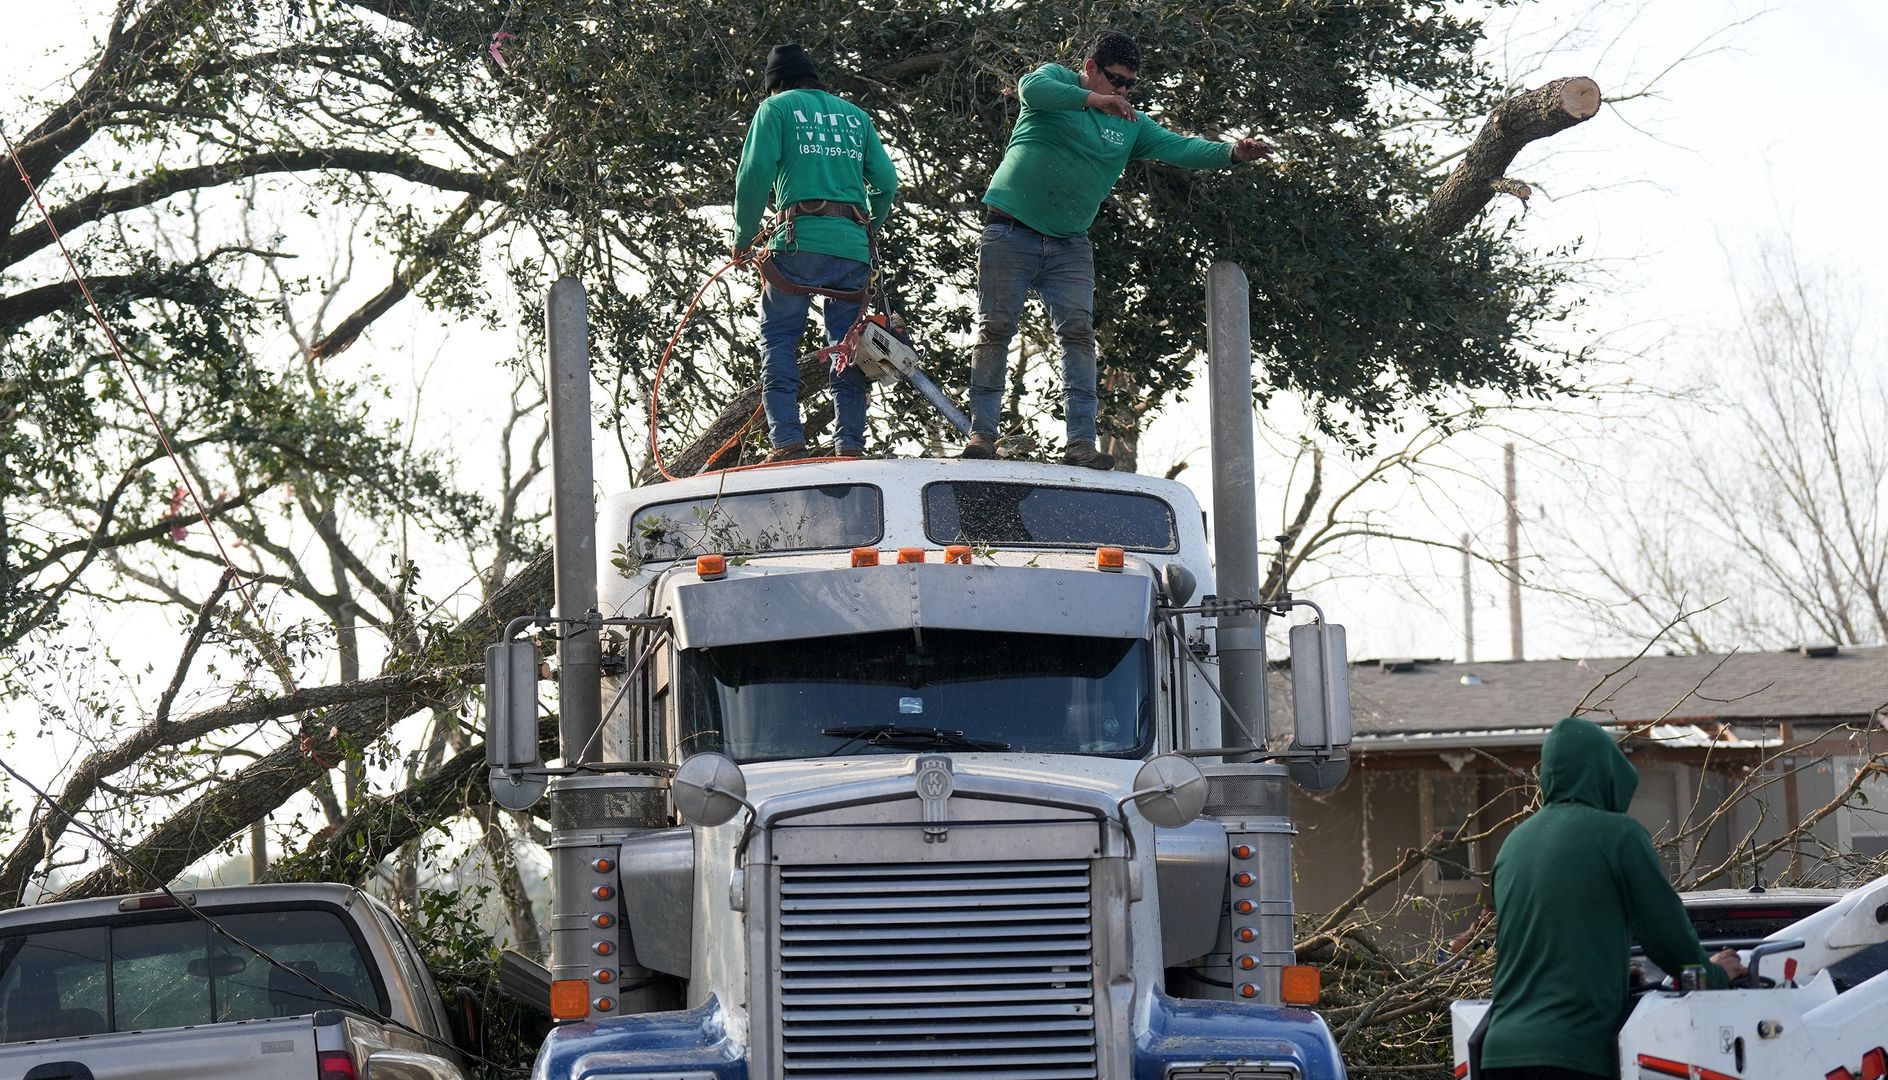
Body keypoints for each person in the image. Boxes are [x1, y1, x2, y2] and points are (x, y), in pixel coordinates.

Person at [961, 29, 1273, 470]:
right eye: (1115, 79)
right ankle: (982, 434)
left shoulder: (1130, 122)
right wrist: (1096, 101)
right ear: (1090, 68)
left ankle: (1081, 445)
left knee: (1078, 337)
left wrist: (1231, 153)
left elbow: (1178, 146)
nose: (1122, 91)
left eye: (1129, 84)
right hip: (1011, 231)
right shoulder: (1057, 83)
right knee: (996, 329)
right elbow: (1032, 87)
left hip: (1070, 243)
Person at [1479, 717, 1746, 1080]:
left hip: (1499, 1054)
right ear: (1605, 773)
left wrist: (1609, 975)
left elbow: (1532, 944)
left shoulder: (1513, 845)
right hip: (1572, 1054)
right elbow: (1666, 937)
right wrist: (1712, 975)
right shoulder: (1617, 836)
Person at [733, 44, 897, 462]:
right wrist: (866, 230)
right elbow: (887, 183)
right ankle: (849, 445)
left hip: (797, 243)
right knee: (848, 346)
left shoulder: (776, 109)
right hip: (852, 250)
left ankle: (787, 440)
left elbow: (753, 175)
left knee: (780, 339)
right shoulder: (855, 116)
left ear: (776, 85)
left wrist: (742, 236)